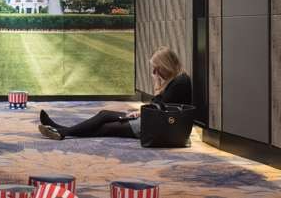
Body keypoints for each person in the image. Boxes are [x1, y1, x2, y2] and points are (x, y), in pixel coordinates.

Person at [38, 46, 192, 140]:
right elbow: (157, 107)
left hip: (157, 128)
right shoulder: (176, 79)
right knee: (104, 114)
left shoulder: (180, 82)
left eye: (157, 68)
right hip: (152, 121)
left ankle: (62, 131)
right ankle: (62, 130)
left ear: (166, 65)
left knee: (105, 128)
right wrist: (140, 112)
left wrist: (156, 85)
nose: (155, 72)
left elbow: (159, 108)